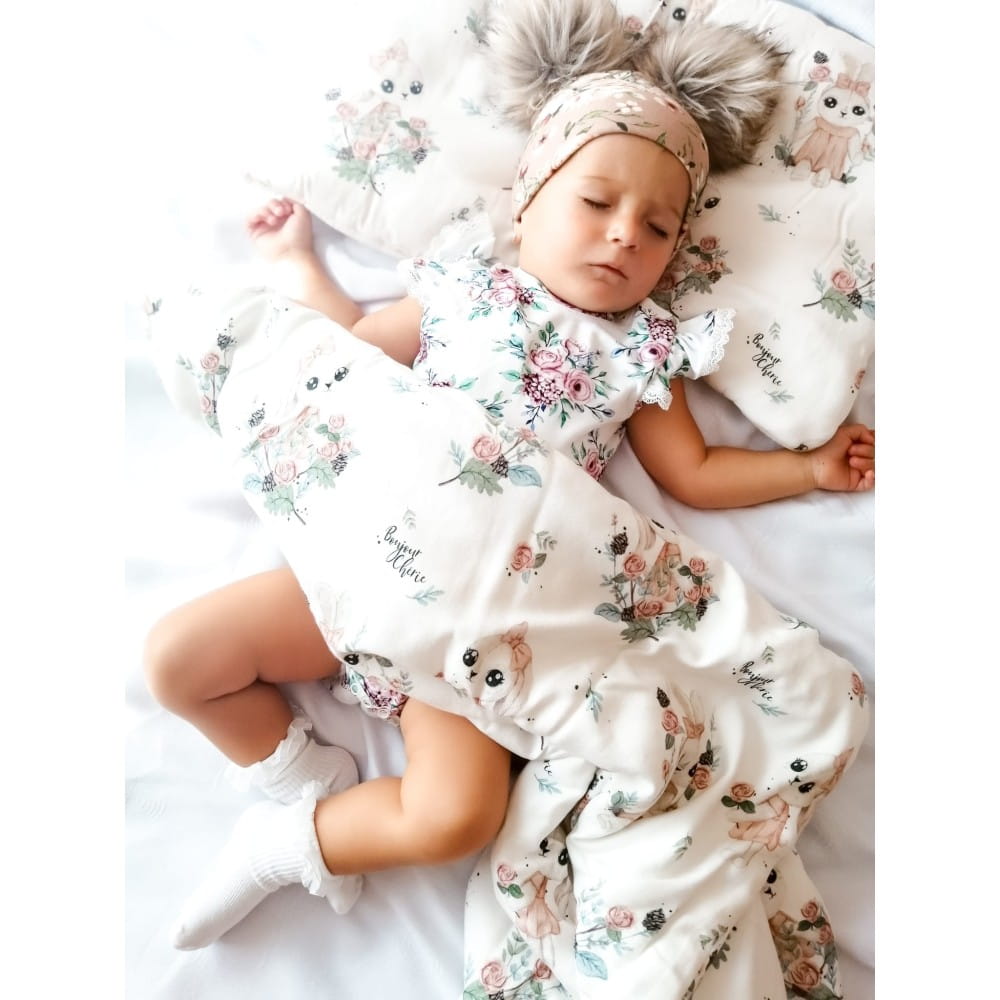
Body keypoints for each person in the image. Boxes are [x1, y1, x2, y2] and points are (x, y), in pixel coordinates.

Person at [144, 69, 875, 951]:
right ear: (528, 204)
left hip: (483, 619)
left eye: (658, 228)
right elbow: (347, 362)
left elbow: (696, 471)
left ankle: (293, 845)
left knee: (456, 816)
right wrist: (297, 263)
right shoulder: (463, 293)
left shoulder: (644, 349)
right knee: (176, 663)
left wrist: (807, 468)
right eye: (597, 202)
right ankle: (302, 777)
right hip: (371, 560)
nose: (624, 234)